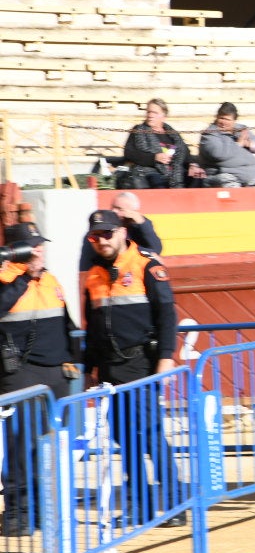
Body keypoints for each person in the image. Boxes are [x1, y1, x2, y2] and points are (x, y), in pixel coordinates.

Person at [83, 208, 184, 525]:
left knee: (151, 436)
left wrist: (166, 358)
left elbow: (167, 315)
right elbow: (92, 327)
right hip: (111, 369)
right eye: (96, 236)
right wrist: (90, 369)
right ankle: (139, 507)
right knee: (125, 440)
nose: (102, 240)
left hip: (141, 363)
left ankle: (176, 506)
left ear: (123, 232)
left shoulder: (146, 264)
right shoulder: (95, 275)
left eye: (108, 233)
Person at [0, 224, 77, 537]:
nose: (39, 251)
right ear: (17, 250)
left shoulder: (51, 279)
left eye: (40, 245)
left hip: (55, 374)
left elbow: (67, 324)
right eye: (32, 246)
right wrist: (23, 278)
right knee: (21, 447)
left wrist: (75, 362)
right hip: (20, 374)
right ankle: (18, 512)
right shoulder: (6, 279)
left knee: (51, 446)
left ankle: (47, 509)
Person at [79, 192, 161, 272]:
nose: (114, 211)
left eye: (120, 209)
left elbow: (156, 249)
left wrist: (142, 223)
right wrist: (148, 253)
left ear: (132, 212)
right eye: (113, 207)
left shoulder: (137, 225)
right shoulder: (98, 230)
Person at [120, 98, 191, 189]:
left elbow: (185, 152)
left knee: (198, 177)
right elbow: (129, 153)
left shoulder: (172, 134)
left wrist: (193, 165)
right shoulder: (138, 130)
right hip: (150, 172)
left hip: (174, 173)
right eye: (148, 112)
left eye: (155, 113)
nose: (150, 115)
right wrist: (154, 157)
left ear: (164, 116)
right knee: (157, 180)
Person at [196, 103, 255, 188]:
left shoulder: (241, 129)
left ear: (234, 121)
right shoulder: (209, 134)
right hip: (224, 175)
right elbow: (219, 154)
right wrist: (239, 144)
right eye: (221, 118)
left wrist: (248, 144)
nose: (223, 122)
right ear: (217, 117)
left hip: (250, 173)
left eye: (227, 119)